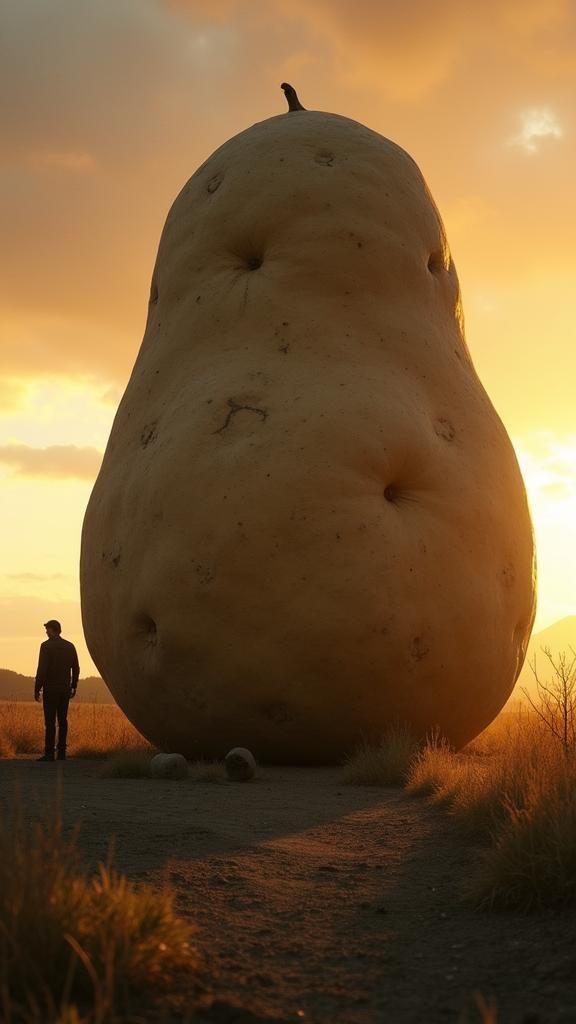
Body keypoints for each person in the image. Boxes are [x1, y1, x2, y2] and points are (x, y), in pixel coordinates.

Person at [34, 620, 79, 762]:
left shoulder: (46, 646)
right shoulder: (70, 646)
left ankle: (49, 753)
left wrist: (37, 688)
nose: (46, 632)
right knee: (62, 720)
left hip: (51, 689)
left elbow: (42, 670)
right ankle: (61, 753)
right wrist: (73, 685)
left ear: (52, 630)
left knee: (50, 721)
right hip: (64, 689)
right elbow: (76, 668)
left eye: (47, 629)